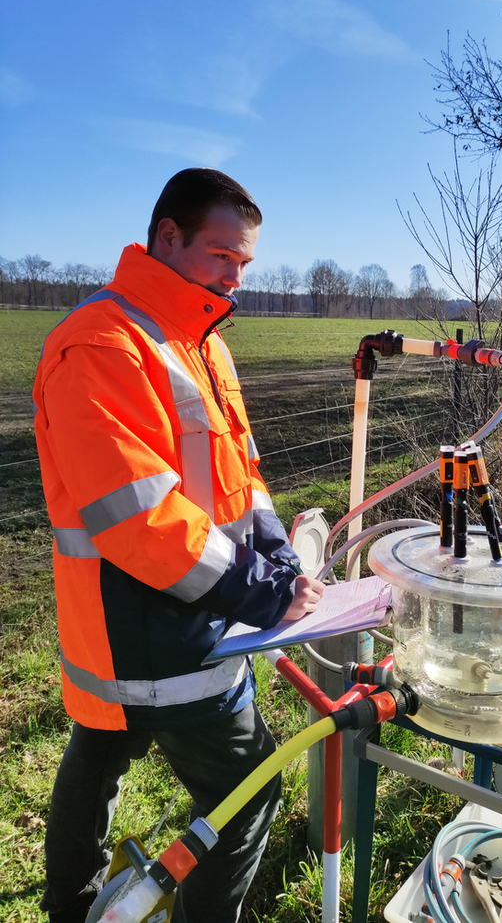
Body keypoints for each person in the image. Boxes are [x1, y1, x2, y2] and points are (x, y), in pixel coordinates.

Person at [33, 168, 325, 923]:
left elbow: (242, 472)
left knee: (100, 749)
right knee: (249, 789)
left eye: (244, 263)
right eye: (222, 255)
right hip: (151, 629)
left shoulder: (201, 343)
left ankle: (69, 905)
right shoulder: (99, 343)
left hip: (190, 614)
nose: (234, 276)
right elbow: (135, 516)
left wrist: (277, 549)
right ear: (167, 236)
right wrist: (260, 591)